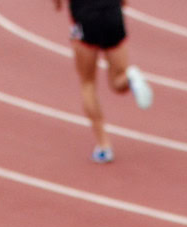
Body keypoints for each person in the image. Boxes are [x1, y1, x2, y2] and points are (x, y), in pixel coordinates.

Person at [53, 0, 153, 163]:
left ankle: (104, 146)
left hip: (86, 19)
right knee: (117, 81)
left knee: (88, 83)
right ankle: (129, 78)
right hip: (112, 14)